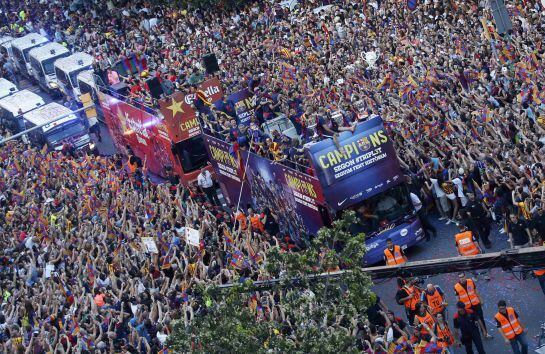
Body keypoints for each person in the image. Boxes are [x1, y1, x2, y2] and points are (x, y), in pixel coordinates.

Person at [454, 273, 491, 339]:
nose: (461, 278)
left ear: (465, 276)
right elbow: (457, 299)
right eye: (460, 277)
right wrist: (460, 308)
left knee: (481, 318)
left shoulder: (471, 281)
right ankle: (474, 335)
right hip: (467, 307)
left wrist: (481, 300)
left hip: (476, 304)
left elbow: (476, 292)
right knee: (471, 321)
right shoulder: (456, 286)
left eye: (462, 276)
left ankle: (485, 333)